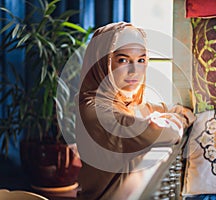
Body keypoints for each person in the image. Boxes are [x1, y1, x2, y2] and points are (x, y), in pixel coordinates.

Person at [75, 22, 196, 200]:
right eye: (123, 60)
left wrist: (169, 115)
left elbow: (169, 109)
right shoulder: (95, 111)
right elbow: (165, 132)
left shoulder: (128, 101)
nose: (135, 71)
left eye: (141, 60)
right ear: (102, 62)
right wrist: (178, 118)